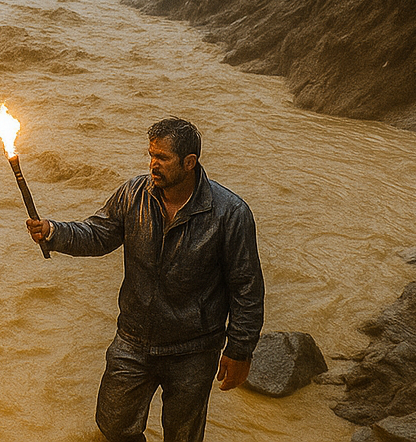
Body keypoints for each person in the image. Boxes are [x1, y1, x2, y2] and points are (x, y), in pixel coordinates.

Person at [25, 117, 263, 442]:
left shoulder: (229, 214)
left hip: (193, 349)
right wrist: (54, 232)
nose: (153, 164)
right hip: (133, 340)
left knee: (182, 436)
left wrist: (240, 349)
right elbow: (98, 234)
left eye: (162, 158)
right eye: (151, 155)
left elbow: (247, 289)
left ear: (189, 162)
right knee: (113, 424)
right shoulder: (134, 194)